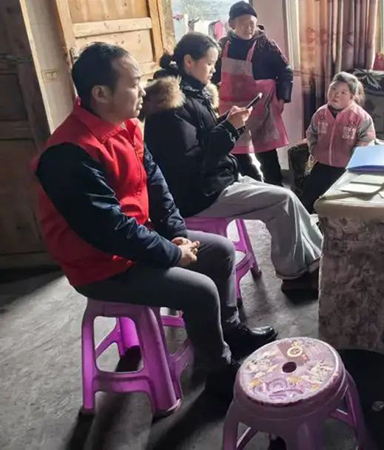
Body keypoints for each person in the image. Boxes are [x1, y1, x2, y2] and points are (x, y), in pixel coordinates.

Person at [32, 42, 276, 400]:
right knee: (200, 290)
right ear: (101, 93)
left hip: (138, 240)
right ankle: (219, 372)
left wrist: (176, 234)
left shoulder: (126, 125)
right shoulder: (68, 154)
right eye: (134, 83)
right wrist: (171, 254)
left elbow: (157, 184)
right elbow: (110, 230)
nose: (144, 91)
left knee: (221, 251)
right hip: (100, 265)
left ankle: (230, 331)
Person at [142, 33, 322, 293]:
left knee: (288, 199)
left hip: (215, 181)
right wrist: (228, 128)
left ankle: (316, 261)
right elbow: (194, 161)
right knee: (282, 200)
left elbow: (201, 139)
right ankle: (294, 277)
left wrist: (227, 123)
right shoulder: (171, 107)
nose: (213, 70)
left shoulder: (191, 93)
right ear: (189, 61)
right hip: (199, 194)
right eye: (209, 63)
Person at [212, 1, 292, 185]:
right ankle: (255, 184)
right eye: (243, 23)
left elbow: (285, 71)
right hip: (232, 109)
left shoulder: (267, 45)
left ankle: (275, 188)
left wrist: (282, 98)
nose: (248, 28)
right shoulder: (222, 46)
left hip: (262, 108)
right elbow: (213, 75)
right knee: (237, 153)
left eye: (252, 23)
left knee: (267, 155)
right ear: (232, 24)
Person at [302, 72, 376, 212]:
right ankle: (305, 222)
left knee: (337, 205)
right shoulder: (320, 114)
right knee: (307, 199)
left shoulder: (360, 117)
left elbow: (367, 140)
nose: (336, 95)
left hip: (345, 169)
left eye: (343, 92)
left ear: (352, 96)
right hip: (322, 165)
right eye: (333, 89)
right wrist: (314, 149)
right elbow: (311, 132)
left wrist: (354, 155)